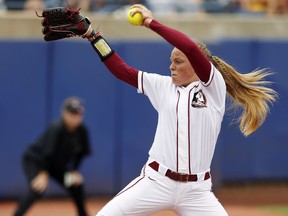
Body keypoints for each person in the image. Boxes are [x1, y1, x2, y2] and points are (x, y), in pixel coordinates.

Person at [85, 4, 277, 215]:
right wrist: (93, 37)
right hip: (157, 181)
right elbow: (122, 70)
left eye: (178, 61)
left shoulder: (213, 87)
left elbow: (191, 49)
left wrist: (151, 23)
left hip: (197, 191)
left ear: (196, 65)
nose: (171, 66)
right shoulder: (162, 85)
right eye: (170, 61)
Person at [14, 97, 91, 216]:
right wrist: (43, 174)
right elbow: (47, 154)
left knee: (76, 186)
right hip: (36, 161)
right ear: (64, 113)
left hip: (56, 166)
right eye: (73, 113)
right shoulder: (57, 128)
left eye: (79, 114)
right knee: (38, 188)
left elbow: (81, 153)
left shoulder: (82, 131)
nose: (76, 117)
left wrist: (74, 171)